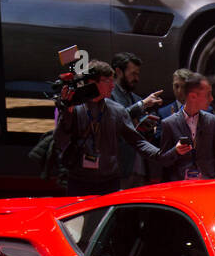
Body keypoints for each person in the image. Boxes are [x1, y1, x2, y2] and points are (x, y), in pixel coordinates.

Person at [53, 60, 163, 196]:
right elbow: (59, 140)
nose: (112, 85)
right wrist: (67, 112)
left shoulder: (117, 110)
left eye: (113, 80)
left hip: (109, 181)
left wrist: (161, 154)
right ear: (93, 82)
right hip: (79, 179)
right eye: (108, 81)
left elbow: (137, 141)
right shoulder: (74, 108)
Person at [157, 72, 215, 181]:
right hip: (179, 186)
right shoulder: (169, 123)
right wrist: (175, 151)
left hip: (207, 185)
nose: (212, 99)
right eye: (208, 94)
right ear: (193, 96)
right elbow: (163, 160)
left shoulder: (214, 122)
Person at [109, 52, 164, 188]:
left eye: (137, 74)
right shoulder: (109, 96)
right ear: (118, 71)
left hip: (140, 168)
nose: (136, 78)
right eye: (133, 74)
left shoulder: (137, 98)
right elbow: (118, 119)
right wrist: (143, 105)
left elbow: (141, 136)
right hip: (120, 167)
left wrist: (149, 128)